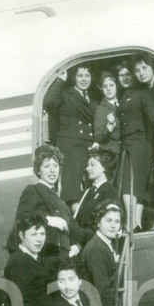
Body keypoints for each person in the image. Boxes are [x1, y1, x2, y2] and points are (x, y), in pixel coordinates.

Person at [15, 144, 81, 263]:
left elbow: (76, 230)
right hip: (46, 258)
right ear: (38, 170)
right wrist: (48, 220)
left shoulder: (60, 200)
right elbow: (22, 218)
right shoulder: (33, 190)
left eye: (55, 165)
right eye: (46, 166)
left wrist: (78, 245)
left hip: (63, 259)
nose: (52, 170)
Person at [43, 65, 97, 208]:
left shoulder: (93, 97)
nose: (84, 79)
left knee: (87, 186)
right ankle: (75, 218)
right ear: (74, 77)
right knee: (72, 188)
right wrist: (61, 80)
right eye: (80, 75)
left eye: (87, 75)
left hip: (87, 146)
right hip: (71, 145)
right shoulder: (66, 94)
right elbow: (49, 101)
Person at [116, 59, 154, 231]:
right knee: (133, 185)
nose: (125, 78)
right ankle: (136, 223)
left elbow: (150, 109)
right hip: (127, 143)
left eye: (128, 74)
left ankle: (131, 221)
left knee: (131, 184)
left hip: (138, 142)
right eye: (122, 75)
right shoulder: (123, 95)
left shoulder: (141, 92)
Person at [3, 212, 48, 306]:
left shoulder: (32, 258)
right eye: (34, 234)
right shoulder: (19, 262)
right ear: (22, 235)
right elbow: (21, 304)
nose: (39, 239)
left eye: (42, 233)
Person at [81, 200, 124, 306]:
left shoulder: (105, 243)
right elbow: (102, 287)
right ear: (98, 222)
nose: (113, 225)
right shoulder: (96, 249)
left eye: (117, 222)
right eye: (108, 220)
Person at [133, 56, 154, 211]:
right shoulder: (147, 89)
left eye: (144, 68)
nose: (141, 73)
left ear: (153, 67)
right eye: (137, 70)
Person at [74, 146, 121, 245]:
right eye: (88, 165)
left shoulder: (109, 192)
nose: (87, 168)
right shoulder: (88, 192)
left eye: (92, 165)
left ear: (104, 167)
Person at [94, 71, 121, 155]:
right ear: (101, 89)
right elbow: (98, 137)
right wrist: (109, 126)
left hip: (126, 150)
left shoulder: (123, 102)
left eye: (111, 85)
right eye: (105, 86)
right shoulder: (100, 109)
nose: (108, 89)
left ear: (117, 86)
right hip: (112, 153)